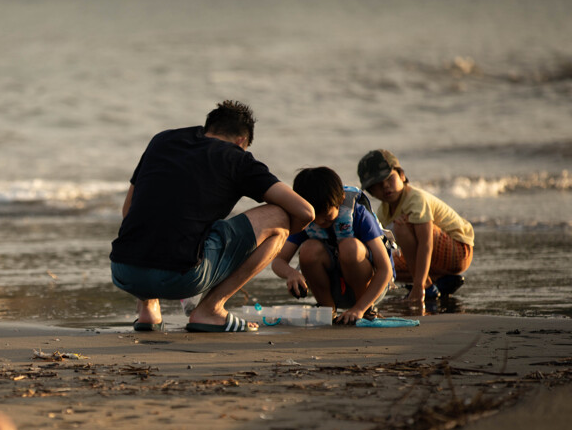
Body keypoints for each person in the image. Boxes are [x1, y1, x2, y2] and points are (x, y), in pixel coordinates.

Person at [109, 100, 315, 333]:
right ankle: (211, 309)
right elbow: (305, 211)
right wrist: (277, 244)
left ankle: (147, 310)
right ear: (241, 142)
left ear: (209, 127)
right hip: (180, 278)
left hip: (124, 269)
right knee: (279, 217)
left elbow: (129, 208)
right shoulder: (237, 158)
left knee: (155, 214)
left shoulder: (163, 140)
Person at [271, 167, 393, 325]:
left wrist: (360, 308)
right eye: (315, 217)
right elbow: (278, 260)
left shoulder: (358, 215)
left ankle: (366, 311)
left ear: (341, 199)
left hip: (370, 291)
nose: (320, 222)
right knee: (308, 249)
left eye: (327, 216)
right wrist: (291, 274)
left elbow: (385, 269)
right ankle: (327, 310)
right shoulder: (305, 220)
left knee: (350, 247)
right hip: (333, 289)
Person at [358, 149, 473, 307]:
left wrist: (418, 287)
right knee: (381, 260)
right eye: (377, 185)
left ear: (402, 176)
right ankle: (438, 282)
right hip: (435, 256)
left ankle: (424, 285)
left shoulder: (415, 198)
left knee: (402, 227)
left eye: (389, 179)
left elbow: (426, 243)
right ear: (371, 191)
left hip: (459, 250)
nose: (385, 187)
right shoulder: (383, 211)